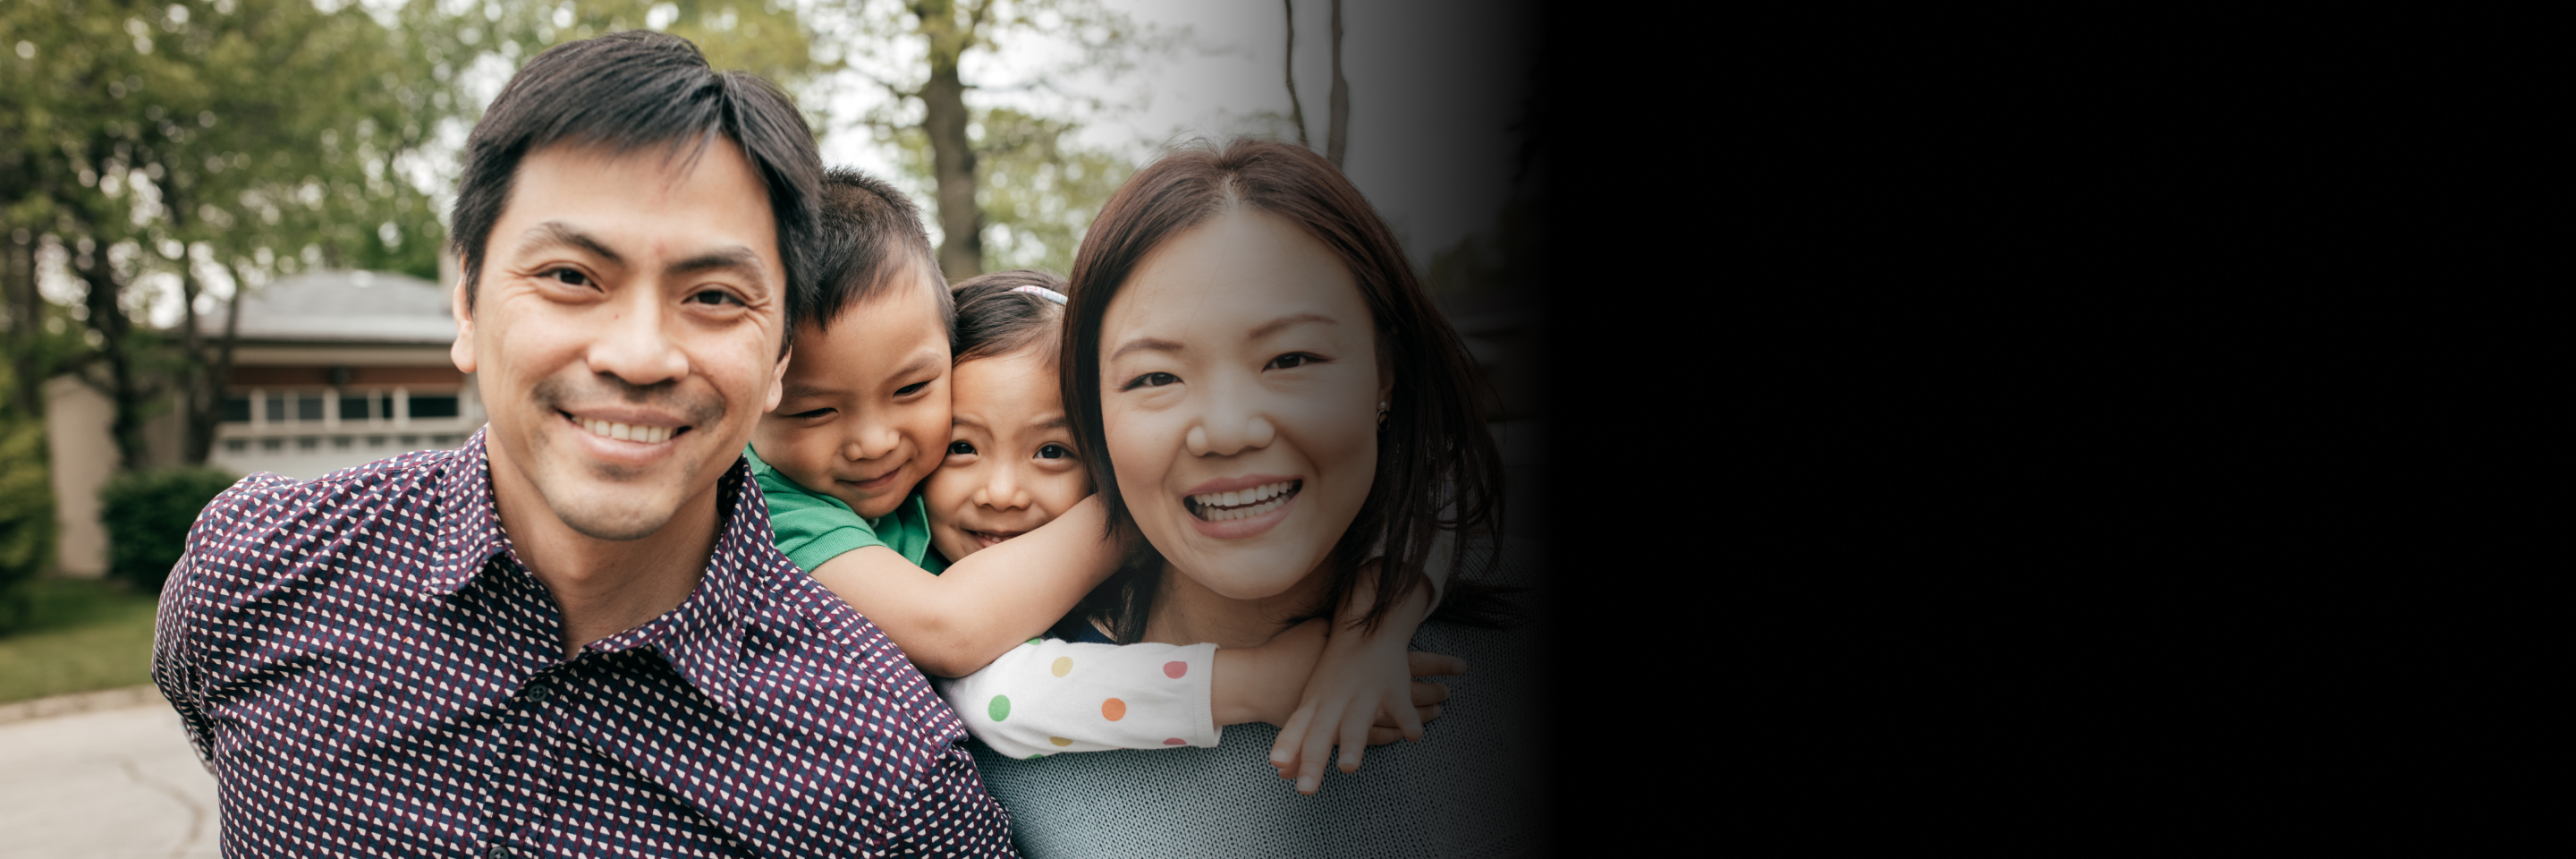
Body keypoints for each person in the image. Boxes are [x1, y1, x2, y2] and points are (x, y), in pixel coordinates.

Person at [149, 31, 1014, 858]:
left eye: (714, 295)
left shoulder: (888, 769)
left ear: (782, 354)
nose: (639, 356)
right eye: (571, 277)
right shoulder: (255, 572)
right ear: (467, 299)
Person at [746, 177, 1453, 774]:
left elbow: (1424, 501)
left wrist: (1373, 633)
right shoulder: (768, 501)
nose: (873, 442)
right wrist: (1143, 511)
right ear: (761, 392)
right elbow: (985, 675)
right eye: (813, 410)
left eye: (909, 392)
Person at [965, 139, 1544, 857]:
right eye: (1155, 377)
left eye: (1291, 359)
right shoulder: (983, 750)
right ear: (1094, 416)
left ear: (1383, 374)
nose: (1228, 431)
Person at [926, 271, 1458, 761]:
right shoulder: (910, 574)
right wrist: (1253, 681)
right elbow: (999, 698)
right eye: (961, 446)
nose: (1001, 493)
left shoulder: (1167, 539)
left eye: (1052, 452)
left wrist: (1371, 635)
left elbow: (1426, 490)